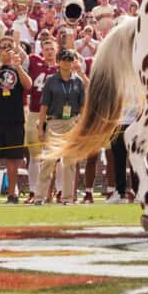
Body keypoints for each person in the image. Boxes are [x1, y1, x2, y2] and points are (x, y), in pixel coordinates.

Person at [0, 43, 32, 203]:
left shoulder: (18, 67)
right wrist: (0, 62)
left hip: (15, 120)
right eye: (3, 47)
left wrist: (18, 66)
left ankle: (12, 194)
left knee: (13, 159)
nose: (7, 50)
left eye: (10, 47)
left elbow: (28, 85)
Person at [36, 50, 86, 204]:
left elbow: (82, 106)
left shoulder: (78, 81)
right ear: (58, 61)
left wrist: (82, 126)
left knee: (69, 162)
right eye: (64, 59)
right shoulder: (51, 80)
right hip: (55, 122)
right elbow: (44, 105)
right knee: (49, 160)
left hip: (72, 121)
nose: (67, 62)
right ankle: (39, 197)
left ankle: (68, 197)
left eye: (70, 59)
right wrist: (41, 127)